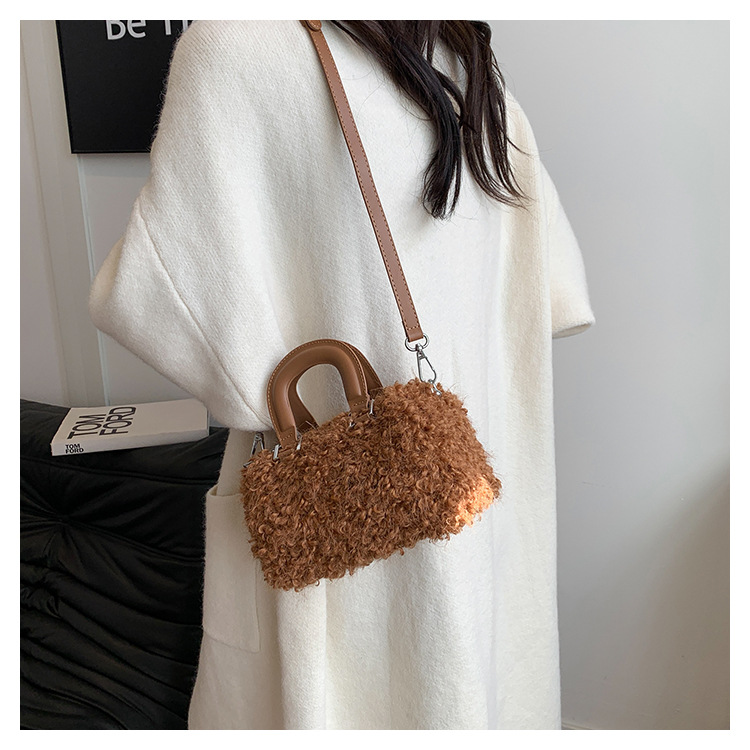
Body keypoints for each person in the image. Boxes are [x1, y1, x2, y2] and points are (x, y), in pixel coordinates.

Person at [88, 20, 595, 729]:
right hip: (487, 515)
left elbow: (155, 298)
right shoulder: (466, 61)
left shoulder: (238, 45)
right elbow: (548, 296)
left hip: (340, 536)